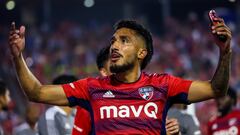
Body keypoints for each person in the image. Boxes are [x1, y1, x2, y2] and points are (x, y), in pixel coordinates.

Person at [8, 16, 232, 134]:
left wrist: (224, 51)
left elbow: (216, 89)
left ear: (141, 53)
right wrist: (18, 57)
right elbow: (35, 92)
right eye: (114, 40)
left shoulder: (163, 85)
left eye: (124, 41)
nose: (115, 45)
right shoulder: (92, 87)